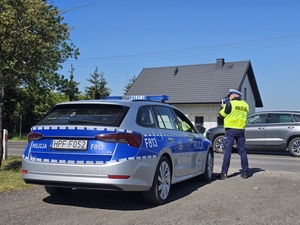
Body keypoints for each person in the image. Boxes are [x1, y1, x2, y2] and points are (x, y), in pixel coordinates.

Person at [218, 89, 249, 180]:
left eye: (229, 95)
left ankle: (224, 174)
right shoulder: (245, 105)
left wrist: (222, 106)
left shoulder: (229, 104)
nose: (228, 97)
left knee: (227, 152)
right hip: (241, 130)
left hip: (231, 130)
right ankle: (245, 173)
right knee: (242, 152)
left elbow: (221, 115)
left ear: (233, 95)